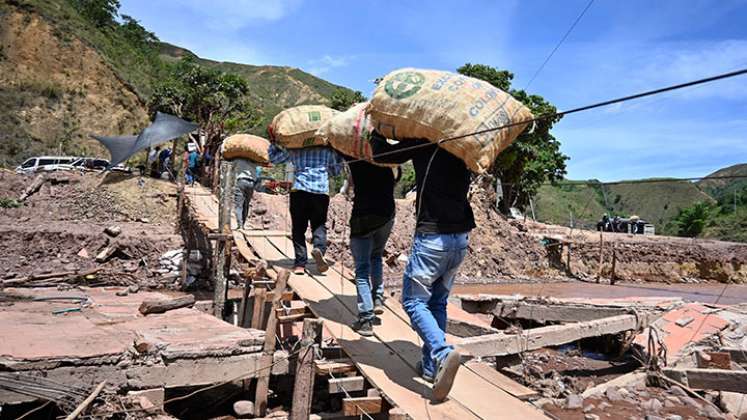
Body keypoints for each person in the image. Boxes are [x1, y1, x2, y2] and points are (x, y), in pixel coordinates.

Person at [371, 131, 474, 402]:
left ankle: (441, 352)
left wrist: (376, 134)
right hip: (461, 238)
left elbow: (384, 156)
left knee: (414, 302)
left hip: (433, 239)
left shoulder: (424, 141)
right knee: (438, 303)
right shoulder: (466, 144)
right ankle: (430, 368)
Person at [269, 142, 343, 274]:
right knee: (319, 225)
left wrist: (274, 142)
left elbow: (274, 159)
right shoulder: (326, 151)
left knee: (298, 229)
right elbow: (336, 171)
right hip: (320, 193)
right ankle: (319, 248)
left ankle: (300, 265)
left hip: (299, 191)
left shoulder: (296, 148)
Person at [344, 157, 398, 336]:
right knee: (376, 255)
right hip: (386, 217)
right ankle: (377, 298)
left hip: (363, 219)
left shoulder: (356, 160)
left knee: (361, 269)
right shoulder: (389, 163)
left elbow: (337, 145)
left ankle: (366, 319)